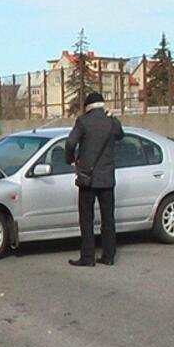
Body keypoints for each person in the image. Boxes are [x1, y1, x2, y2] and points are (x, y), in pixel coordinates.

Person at [65, 92, 124, 267]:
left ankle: (88, 257)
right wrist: (114, 117)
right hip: (107, 179)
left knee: (86, 218)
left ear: (88, 107)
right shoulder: (111, 122)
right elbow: (121, 135)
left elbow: (70, 143)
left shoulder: (83, 121)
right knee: (108, 219)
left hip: (87, 178)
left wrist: (71, 159)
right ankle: (109, 256)